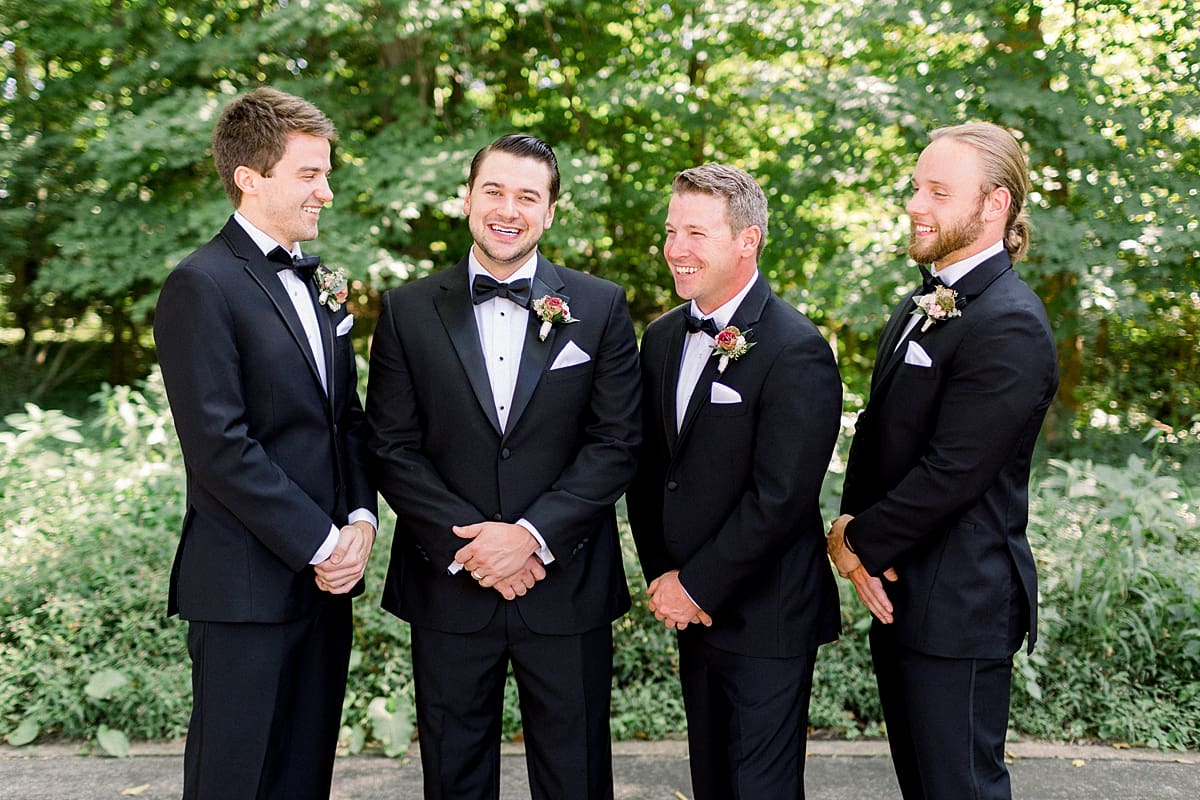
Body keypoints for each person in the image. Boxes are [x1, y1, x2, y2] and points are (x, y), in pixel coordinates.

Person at [365, 133, 641, 800]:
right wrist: (478, 546)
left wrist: (530, 537)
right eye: (493, 191)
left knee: (576, 778)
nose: (507, 209)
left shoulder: (599, 307)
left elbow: (617, 442)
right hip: (448, 585)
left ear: (550, 212)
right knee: (453, 779)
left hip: (565, 582)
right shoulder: (406, 310)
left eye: (527, 196)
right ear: (467, 199)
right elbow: (391, 447)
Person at [153, 87, 377, 800]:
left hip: (325, 586)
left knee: (302, 776)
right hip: (244, 590)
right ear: (251, 178)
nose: (327, 192)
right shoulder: (201, 284)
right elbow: (220, 447)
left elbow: (344, 419)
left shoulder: (321, 283)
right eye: (310, 174)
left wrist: (362, 521)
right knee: (234, 780)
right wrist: (321, 543)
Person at [826, 122, 1059, 800]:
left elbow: (952, 472)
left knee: (961, 790)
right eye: (915, 188)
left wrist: (854, 545)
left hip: (960, 606)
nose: (915, 205)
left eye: (938, 191)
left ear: (995, 205)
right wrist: (851, 523)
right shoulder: (919, 302)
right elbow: (878, 431)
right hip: (902, 593)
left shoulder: (1012, 323)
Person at [626, 164, 843, 799]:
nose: (676, 249)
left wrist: (696, 584)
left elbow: (780, 499)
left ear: (747, 241)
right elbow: (649, 470)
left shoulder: (795, 348)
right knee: (712, 783)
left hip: (767, 617)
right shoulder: (663, 337)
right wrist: (664, 576)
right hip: (692, 610)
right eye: (671, 231)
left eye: (697, 232)